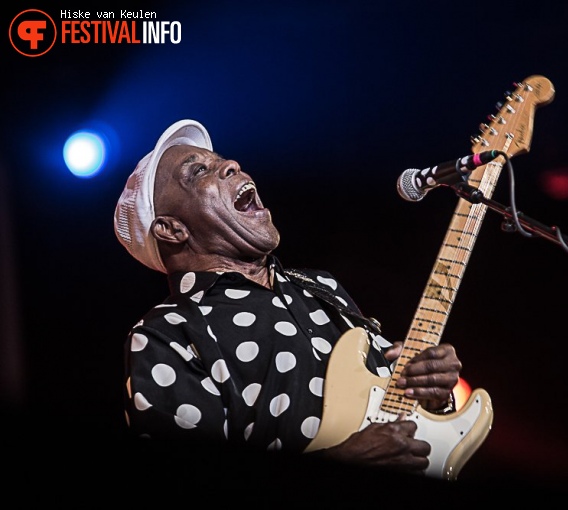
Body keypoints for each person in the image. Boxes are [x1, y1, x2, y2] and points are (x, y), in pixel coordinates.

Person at [113, 119, 463, 475]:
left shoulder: (320, 286)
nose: (231, 164)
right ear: (172, 229)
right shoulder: (167, 331)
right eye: (199, 171)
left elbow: (389, 411)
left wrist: (429, 389)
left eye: (220, 159)